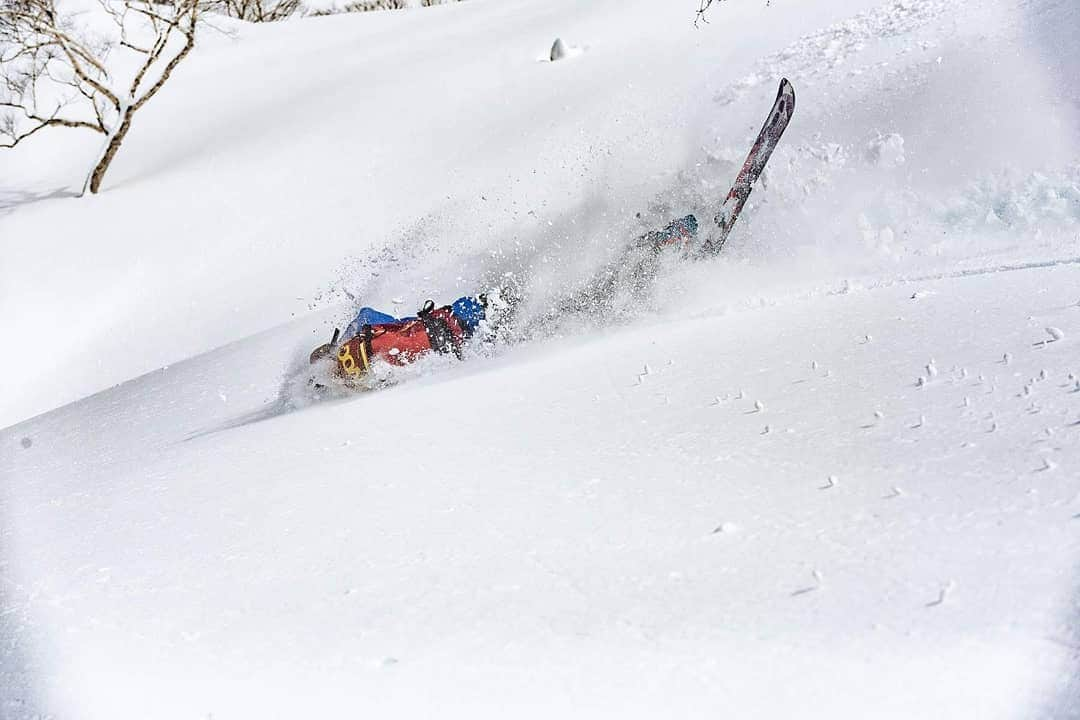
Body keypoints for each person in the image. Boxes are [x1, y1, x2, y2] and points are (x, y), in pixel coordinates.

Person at [310, 214, 699, 380]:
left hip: (488, 325)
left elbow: (412, 371)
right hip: (478, 311)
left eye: (346, 368)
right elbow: (363, 313)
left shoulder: (385, 358)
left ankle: (658, 248)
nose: (351, 368)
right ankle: (653, 249)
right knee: (581, 296)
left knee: (585, 300)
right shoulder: (373, 334)